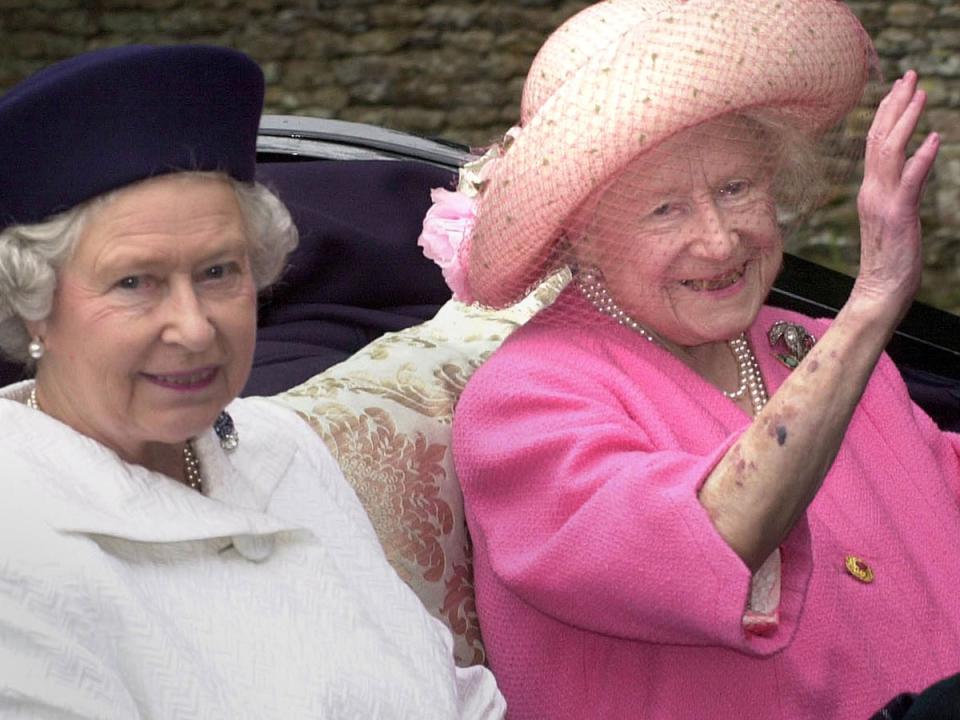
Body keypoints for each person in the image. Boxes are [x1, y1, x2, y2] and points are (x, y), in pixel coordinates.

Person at [417, 0, 959, 718]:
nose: (718, 240)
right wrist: (873, 303)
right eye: (664, 209)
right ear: (581, 235)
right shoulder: (527, 397)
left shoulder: (805, 343)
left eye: (735, 189)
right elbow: (716, 535)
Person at [0, 45, 504, 718]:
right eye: (134, 282)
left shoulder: (281, 446)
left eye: (218, 272)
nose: (195, 327)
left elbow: (454, 696)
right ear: (35, 303)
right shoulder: (20, 550)